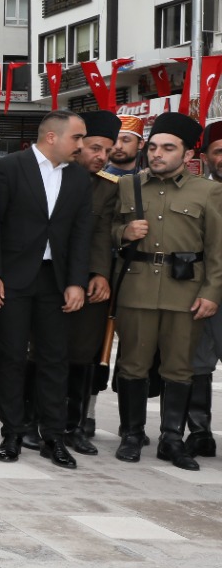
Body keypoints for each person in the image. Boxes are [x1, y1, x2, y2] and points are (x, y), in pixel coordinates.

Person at [111, 112, 222, 471]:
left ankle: (172, 439)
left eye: (168, 148)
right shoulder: (128, 185)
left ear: (188, 154)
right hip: (137, 288)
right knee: (133, 365)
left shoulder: (208, 191)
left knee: (179, 368)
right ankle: (131, 434)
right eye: (154, 147)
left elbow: (218, 249)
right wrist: (123, 234)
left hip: (185, 293)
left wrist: (212, 293)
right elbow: (107, 230)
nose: (157, 154)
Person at [0, 111, 94, 468]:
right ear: (52, 137)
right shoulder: (10, 168)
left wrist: (76, 281)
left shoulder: (79, 178)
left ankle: (53, 437)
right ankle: (12, 434)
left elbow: (81, 234)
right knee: (12, 357)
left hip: (56, 280)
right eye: (76, 138)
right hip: (13, 278)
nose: (81, 146)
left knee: (55, 359)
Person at [59, 109, 122, 454]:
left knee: (83, 354)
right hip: (47, 279)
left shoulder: (108, 189)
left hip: (88, 283)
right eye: (95, 148)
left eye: (107, 151)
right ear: (77, 144)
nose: (101, 157)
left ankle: (74, 426)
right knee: (39, 353)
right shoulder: (51, 177)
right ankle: (32, 421)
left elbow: (103, 232)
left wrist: (99, 273)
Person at [186, 120, 222, 457]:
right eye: (219, 151)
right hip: (203, 293)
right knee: (198, 363)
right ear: (206, 156)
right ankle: (199, 432)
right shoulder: (196, 191)